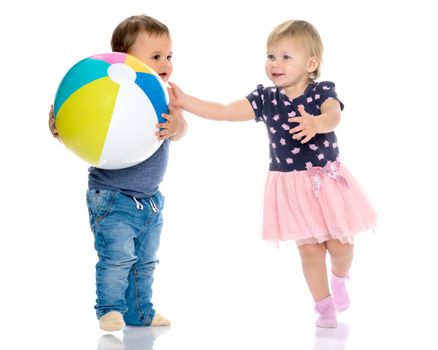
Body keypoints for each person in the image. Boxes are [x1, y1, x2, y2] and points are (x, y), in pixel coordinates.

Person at [169, 20, 376, 328]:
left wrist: (317, 124)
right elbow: (225, 110)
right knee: (309, 251)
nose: (275, 64)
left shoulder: (321, 92)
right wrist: (186, 102)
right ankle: (323, 306)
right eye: (270, 56)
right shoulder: (266, 99)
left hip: (326, 182)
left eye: (285, 57)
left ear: (311, 63)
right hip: (292, 188)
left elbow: (334, 115)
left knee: (341, 247)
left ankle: (340, 278)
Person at [49, 15, 187, 331]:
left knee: (145, 262)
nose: (165, 63)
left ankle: (140, 312)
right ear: (124, 61)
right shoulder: (105, 90)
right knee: (117, 259)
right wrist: (58, 121)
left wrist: (178, 126)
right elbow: (73, 112)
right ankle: (110, 310)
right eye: (155, 57)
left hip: (150, 200)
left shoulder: (161, 95)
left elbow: (181, 128)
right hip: (112, 196)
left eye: (169, 56)